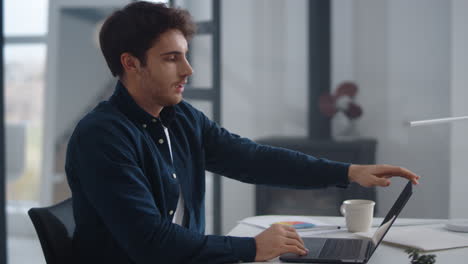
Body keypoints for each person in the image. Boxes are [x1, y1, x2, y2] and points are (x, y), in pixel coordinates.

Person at [65, 2, 420, 263]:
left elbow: (252, 159)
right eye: (172, 58)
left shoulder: (182, 118)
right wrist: (251, 248)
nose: (188, 69)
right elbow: (150, 243)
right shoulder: (101, 137)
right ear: (131, 64)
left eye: (186, 56)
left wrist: (347, 171)